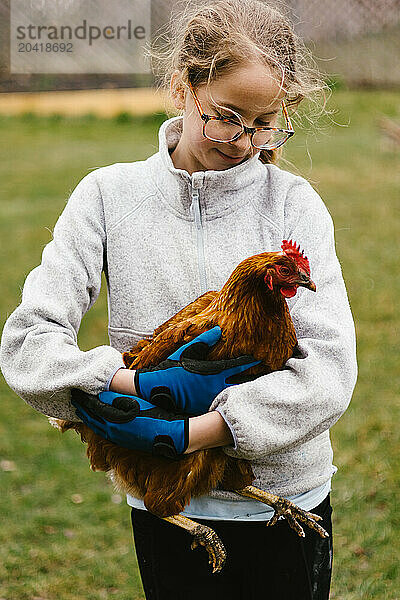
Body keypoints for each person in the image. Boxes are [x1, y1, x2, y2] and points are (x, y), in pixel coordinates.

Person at [0, 0, 357, 598]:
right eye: (226, 116)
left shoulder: (293, 204)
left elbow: (330, 370)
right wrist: (119, 386)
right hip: (168, 506)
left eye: (265, 123)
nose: (244, 140)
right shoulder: (108, 197)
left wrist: (198, 430)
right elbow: (27, 341)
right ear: (180, 87)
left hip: (286, 499)